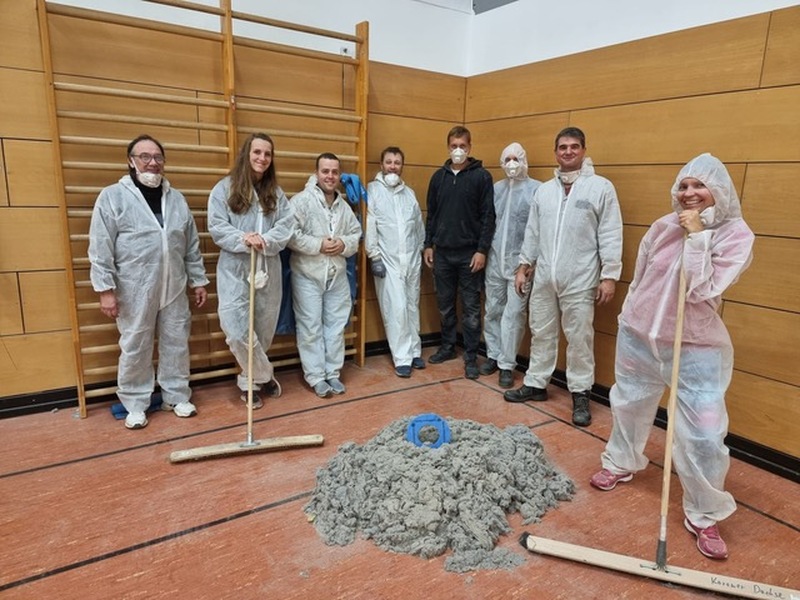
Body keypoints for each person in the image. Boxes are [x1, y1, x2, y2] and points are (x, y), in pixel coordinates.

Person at [590, 153, 754, 560]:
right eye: (683, 185)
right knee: (628, 403)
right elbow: (643, 275)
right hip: (640, 335)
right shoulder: (662, 227)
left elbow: (704, 288)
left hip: (695, 345)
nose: (689, 193)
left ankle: (703, 511)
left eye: (699, 185)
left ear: (718, 190)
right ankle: (622, 460)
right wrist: (630, 318)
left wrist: (697, 235)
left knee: (704, 431)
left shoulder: (736, 234)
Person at [504, 127, 622, 427]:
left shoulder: (600, 188)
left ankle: (581, 393)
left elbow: (610, 233)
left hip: (580, 277)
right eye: (562, 147)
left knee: (579, 337)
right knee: (540, 330)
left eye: (574, 147)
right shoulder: (544, 191)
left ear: (583, 150)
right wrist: (523, 265)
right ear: (555, 152)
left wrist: (609, 275)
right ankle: (536, 383)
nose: (568, 152)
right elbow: (532, 232)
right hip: (544, 275)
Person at [89, 134, 208, 430]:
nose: (152, 163)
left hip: (174, 286)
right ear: (131, 161)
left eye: (157, 157)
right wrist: (105, 290)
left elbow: (190, 245)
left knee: (176, 342)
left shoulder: (176, 199)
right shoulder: (113, 197)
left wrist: (198, 281)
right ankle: (135, 402)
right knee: (135, 345)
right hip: (134, 288)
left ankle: (176, 395)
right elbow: (100, 245)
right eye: (145, 156)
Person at [208, 133, 292, 409]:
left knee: (263, 328)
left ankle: (250, 382)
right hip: (235, 268)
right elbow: (217, 226)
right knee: (235, 329)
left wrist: (265, 240)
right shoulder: (224, 189)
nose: (262, 158)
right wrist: (244, 238)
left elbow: (286, 226)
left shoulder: (276, 194)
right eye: (257, 152)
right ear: (247, 154)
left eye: (267, 154)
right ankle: (265, 374)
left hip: (268, 266)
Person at [423, 126, 495, 380]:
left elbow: (488, 217)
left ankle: (471, 356)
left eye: (462, 146)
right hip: (442, 254)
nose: (458, 150)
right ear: (448, 147)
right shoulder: (438, 178)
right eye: (454, 145)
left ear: (470, 147)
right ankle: (447, 347)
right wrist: (428, 244)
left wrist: (481, 250)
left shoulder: (482, 177)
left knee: (472, 309)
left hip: (469, 256)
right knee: (444, 306)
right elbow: (431, 214)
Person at [288, 153, 362, 397]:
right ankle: (316, 376)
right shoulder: (301, 202)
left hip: (336, 275)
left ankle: (333, 372)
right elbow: (290, 235)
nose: (330, 176)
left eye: (334, 172)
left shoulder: (343, 206)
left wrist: (343, 244)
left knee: (335, 326)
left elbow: (355, 234)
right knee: (310, 327)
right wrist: (319, 244)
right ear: (316, 173)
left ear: (340, 176)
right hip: (308, 274)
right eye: (325, 171)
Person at [480, 142, 541, 389]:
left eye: (516, 158)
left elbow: (537, 231)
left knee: (514, 315)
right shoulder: (497, 189)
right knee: (493, 309)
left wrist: (527, 264)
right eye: (507, 159)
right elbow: (489, 222)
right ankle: (493, 354)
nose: (512, 164)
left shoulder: (537, 190)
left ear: (524, 160)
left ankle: (507, 364)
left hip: (520, 264)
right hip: (495, 259)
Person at [365, 146, 426, 378]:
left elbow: (418, 225)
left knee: (411, 306)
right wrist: (374, 256)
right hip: (387, 261)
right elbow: (370, 225)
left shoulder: (409, 193)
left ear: (402, 166)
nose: (393, 166)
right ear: (381, 164)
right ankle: (402, 357)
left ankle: (414, 350)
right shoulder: (373, 191)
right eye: (388, 162)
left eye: (397, 162)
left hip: (411, 259)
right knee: (396, 308)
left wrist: (421, 249)